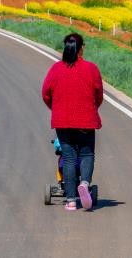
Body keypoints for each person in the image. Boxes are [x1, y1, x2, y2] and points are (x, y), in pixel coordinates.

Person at [42, 33, 104, 211]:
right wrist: (91, 109)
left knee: (68, 157)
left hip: (62, 121)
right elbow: (98, 95)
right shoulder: (91, 69)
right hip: (86, 120)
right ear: (81, 48)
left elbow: (46, 93)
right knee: (86, 154)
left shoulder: (56, 69)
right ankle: (84, 184)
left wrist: (57, 109)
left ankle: (70, 201)